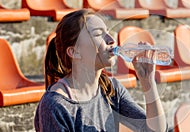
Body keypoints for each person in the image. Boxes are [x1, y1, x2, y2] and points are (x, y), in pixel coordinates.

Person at [34, 9, 167, 132]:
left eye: (108, 32)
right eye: (98, 34)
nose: (111, 40)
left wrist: (147, 81)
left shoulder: (111, 89)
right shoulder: (55, 105)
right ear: (74, 51)